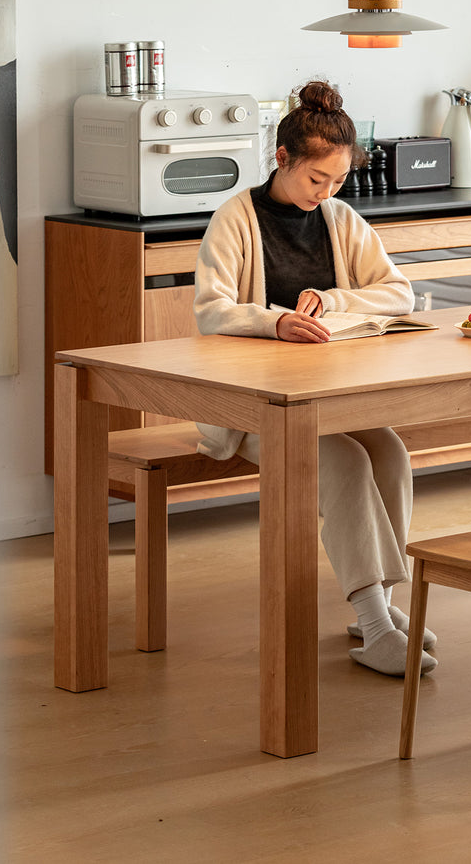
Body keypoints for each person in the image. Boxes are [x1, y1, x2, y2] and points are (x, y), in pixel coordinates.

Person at [194, 81, 438, 677]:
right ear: (282, 159)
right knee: (346, 463)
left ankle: (380, 605)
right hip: (255, 406)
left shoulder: (341, 218)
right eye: (316, 180)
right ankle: (376, 624)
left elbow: (398, 292)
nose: (326, 193)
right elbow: (211, 309)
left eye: (338, 181)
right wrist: (277, 322)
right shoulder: (235, 218)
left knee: (390, 451)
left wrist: (331, 301)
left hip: (329, 393)